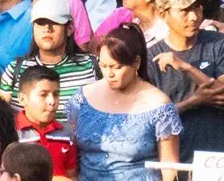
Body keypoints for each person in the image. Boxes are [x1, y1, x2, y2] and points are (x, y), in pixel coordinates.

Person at [68, 23, 181, 181]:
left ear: (136, 62)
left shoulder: (158, 104)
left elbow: (169, 167)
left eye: (117, 67)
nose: (109, 74)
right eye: (104, 66)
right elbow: (70, 155)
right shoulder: (83, 97)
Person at [145, 0, 224, 161]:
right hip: (172, 160)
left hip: (214, 159)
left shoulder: (219, 43)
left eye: (197, 8)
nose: (194, 17)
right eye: (184, 11)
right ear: (163, 15)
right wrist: (194, 102)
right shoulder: (151, 57)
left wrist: (186, 67)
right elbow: (150, 119)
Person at [0, 0, 99, 120]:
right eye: (40, 23)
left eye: (54, 23)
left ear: (69, 29)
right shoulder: (16, 68)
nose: (47, 29)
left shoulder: (92, 65)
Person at [12, 66, 77, 179]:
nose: (52, 101)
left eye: (56, 94)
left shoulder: (66, 134)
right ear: (22, 99)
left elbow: (72, 175)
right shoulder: (11, 133)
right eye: (43, 95)